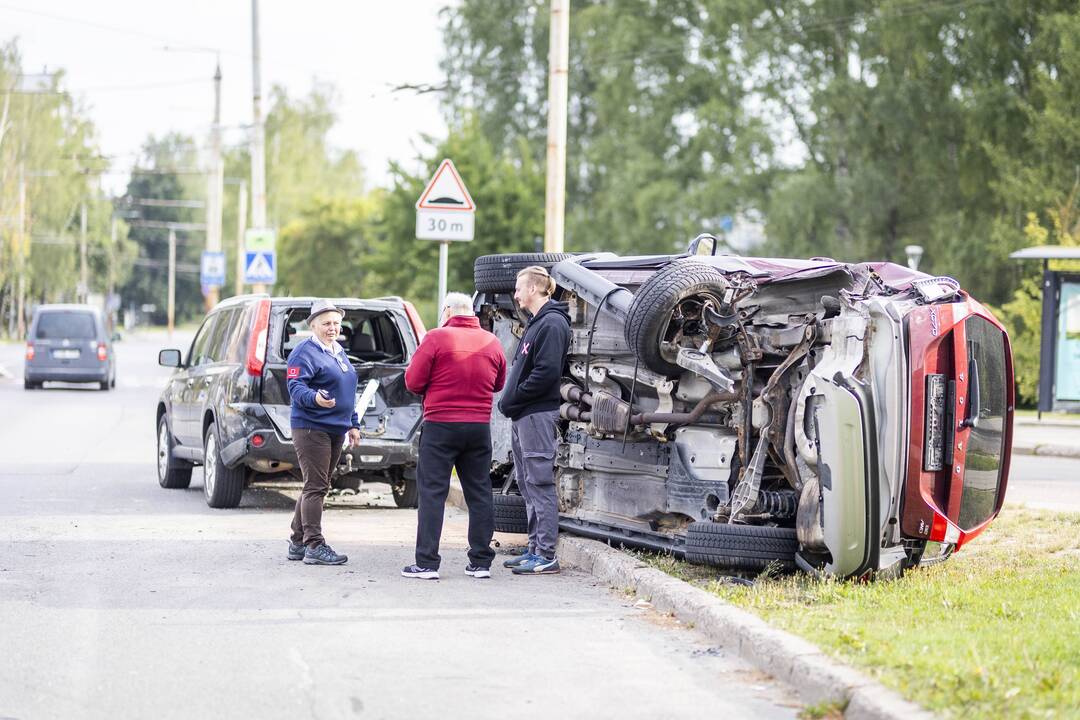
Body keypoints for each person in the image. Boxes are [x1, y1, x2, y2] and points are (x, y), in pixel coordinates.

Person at [401, 292, 507, 580]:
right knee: (480, 493)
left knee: (433, 493)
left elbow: (412, 381)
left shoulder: (436, 337)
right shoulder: (491, 341)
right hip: (478, 428)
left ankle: (426, 563)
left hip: (441, 426)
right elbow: (499, 383)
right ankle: (481, 562)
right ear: (471, 312)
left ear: (447, 310)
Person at [498, 266, 571, 575]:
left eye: (519, 288)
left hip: (536, 414)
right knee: (528, 484)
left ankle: (546, 554)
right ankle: (533, 548)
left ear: (533, 289)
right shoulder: (535, 323)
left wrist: (515, 398)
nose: (515, 294)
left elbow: (545, 374)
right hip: (523, 415)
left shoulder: (552, 323)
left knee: (540, 482)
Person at [286, 300, 362, 566]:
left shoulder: (337, 351)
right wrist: (315, 399)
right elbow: (295, 388)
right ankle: (314, 545)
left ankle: (297, 542)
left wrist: (353, 423)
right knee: (317, 487)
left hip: (336, 428)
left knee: (315, 486)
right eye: (327, 323)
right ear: (313, 325)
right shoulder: (303, 353)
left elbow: (347, 392)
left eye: (336, 324)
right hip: (311, 427)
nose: (333, 328)